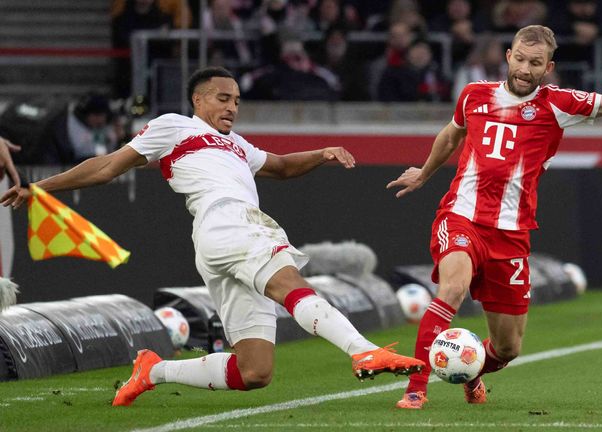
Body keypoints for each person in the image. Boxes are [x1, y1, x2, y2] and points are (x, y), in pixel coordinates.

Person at [1, 66, 424, 406]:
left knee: (254, 372)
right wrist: (41, 188)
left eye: (236, 100)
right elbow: (108, 166)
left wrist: (322, 152)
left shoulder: (237, 144)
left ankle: (153, 370)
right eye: (223, 98)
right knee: (288, 281)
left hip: (220, 239)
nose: (232, 107)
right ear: (198, 100)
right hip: (229, 221)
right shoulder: (173, 126)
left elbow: (279, 166)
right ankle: (361, 350)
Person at [386, 24, 602, 409]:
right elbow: (452, 134)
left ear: (548, 67)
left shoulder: (558, 104)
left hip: (511, 234)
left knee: (507, 348)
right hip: (462, 217)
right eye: (520, 59)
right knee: (453, 289)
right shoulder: (474, 94)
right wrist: (424, 172)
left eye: (535, 63)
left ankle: (471, 370)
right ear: (508, 56)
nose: (525, 69)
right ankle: (416, 388)